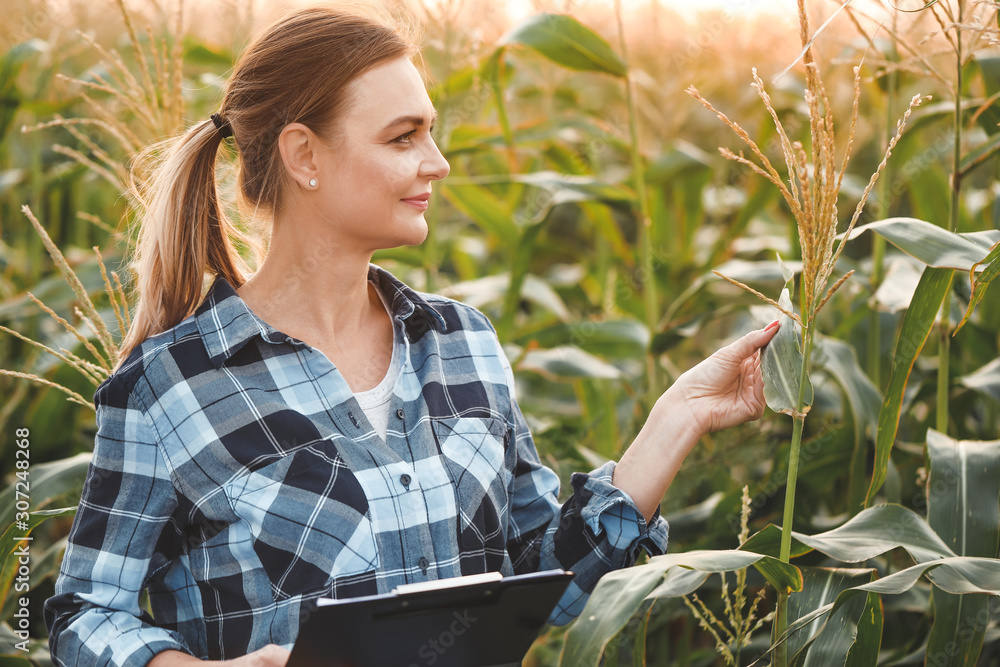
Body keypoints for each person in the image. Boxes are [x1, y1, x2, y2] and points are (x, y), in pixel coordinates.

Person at [44, 4, 780, 666]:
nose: (439, 162)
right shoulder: (168, 388)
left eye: (431, 132)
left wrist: (677, 416)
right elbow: (83, 613)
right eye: (404, 137)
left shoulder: (464, 344)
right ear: (304, 156)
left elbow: (540, 584)